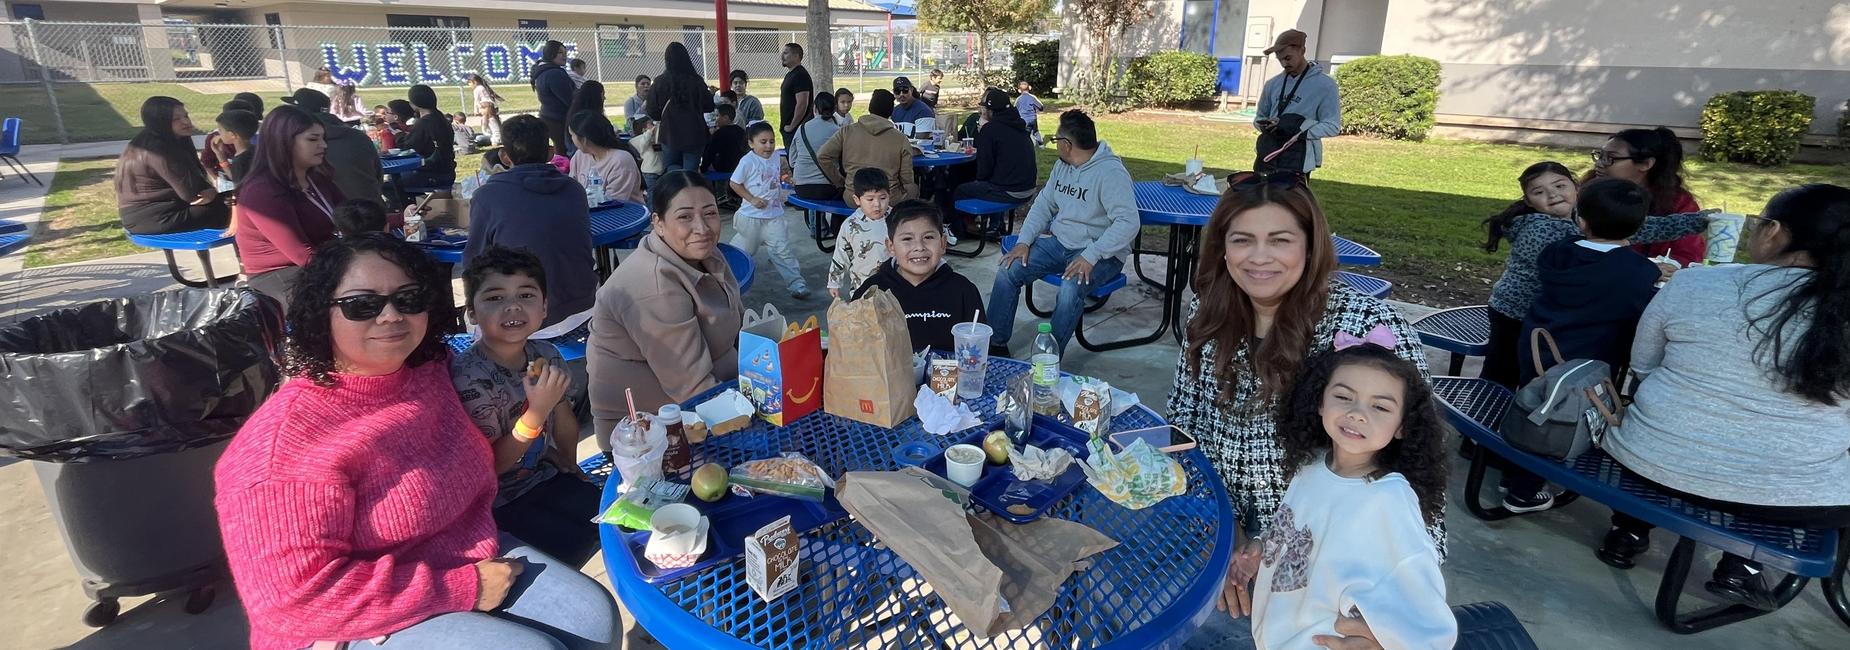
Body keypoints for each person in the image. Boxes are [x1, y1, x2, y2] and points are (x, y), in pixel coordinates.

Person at [215, 233, 618, 650]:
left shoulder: (429, 370)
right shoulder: (282, 445)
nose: (391, 316)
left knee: (593, 615)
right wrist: (463, 588)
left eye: (408, 299)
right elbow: (292, 603)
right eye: (362, 304)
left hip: (466, 549)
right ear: (321, 312)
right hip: (353, 614)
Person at [1171, 173, 1435, 650]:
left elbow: (1416, 470)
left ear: (1311, 248)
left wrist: (1390, 626)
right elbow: (1185, 429)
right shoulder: (1206, 314)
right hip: (1221, 528)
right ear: (1222, 249)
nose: (1259, 257)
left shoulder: (1366, 326)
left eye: (1280, 240)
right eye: (1242, 240)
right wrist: (1224, 533)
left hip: (1326, 560)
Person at [1595, 184, 1850, 607]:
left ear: (1773, 230)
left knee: (1660, 426)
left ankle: (1628, 532)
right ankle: (1742, 567)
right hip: (1791, 498)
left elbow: (1644, 365)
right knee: (1796, 481)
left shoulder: (1696, 282)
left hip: (1648, 460)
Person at [1224, 342, 1455, 649]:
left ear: (1402, 426)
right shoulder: (1312, 466)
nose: (1357, 414)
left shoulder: (1390, 499)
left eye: (1380, 407)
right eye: (1344, 397)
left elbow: (1430, 617)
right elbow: (1299, 532)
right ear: (1320, 402)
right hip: (1277, 634)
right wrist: (1262, 549)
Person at [1479, 162, 1708, 390]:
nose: (1553, 194)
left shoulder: (1584, 220)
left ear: (1576, 187)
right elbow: (1593, 258)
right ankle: (1485, 408)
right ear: (1529, 201)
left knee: (1533, 374)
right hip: (1514, 312)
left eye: (1559, 186)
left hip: (1548, 313)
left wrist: (1697, 221)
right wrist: (1646, 268)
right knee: (1502, 373)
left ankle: (1526, 405)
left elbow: (1625, 225)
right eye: (1539, 192)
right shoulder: (1539, 229)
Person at [452, 247, 602, 567]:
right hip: (495, 505)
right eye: (495, 297)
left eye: (526, 295)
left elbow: (563, 419)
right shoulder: (467, 378)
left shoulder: (545, 353)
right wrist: (536, 412)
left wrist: (569, 464)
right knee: (566, 554)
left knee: (612, 520)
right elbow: (488, 469)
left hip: (541, 477)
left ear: (544, 307)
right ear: (472, 313)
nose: (513, 306)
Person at [588, 170, 745, 444]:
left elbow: (738, 328)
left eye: (709, 213)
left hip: (716, 395)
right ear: (658, 223)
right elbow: (692, 388)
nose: (702, 228)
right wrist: (752, 419)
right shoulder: (654, 285)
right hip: (652, 434)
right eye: (685, 217)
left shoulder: (707, 255)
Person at [986, 110, 1137, 354]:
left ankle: (1049, 359)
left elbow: (1128, 222)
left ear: (1066, 145)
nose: (1055, 145)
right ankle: (995, 344)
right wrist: (1024, 241)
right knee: (1008, 269)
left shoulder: (1111, 173)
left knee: (1070, 287)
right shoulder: (1062, 166)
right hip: (1060, 243)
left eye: (1056, 140)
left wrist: (1091, 255)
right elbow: (1044, 205)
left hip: (1101, 253)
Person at [1517, 178, 1663, 384]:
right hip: (1590, 364)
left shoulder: (1558, 251)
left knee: (1532, 395)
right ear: (1639, 226)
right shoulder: (1638, 270)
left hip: (1538, 347)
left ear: (1581, 221)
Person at [464, 115, 595, 329]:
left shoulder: (487, 196)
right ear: (551, 153)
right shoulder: (574, 189)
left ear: (504, 157)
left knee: (472, 314)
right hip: (583, 304)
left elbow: (473, 261)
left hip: (527, 316)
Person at [234, 106, 347, 310]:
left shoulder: (316, 178)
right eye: (313, 139)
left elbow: (353, 216)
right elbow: (301, 254)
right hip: (277, 274)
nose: (323, 145)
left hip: (321, 260)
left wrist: (403, 217)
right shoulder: (261, 190)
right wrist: (357, 266)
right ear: (284, 142)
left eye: (323, 138)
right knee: (356, 298)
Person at [853, 201, 983, 352]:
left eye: (928, 237)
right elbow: (853, 345)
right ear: (891, 247)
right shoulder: (871, 292)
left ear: (943, 243)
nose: (919, 247)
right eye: (907, 239)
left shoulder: (963, 290)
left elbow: (978, 348)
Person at [1588, 127, 1706, 270]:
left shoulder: (1678, 203)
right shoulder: (1587, 191)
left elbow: (1688, 255)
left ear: (1645, 164)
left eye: (1611, 158)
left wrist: (1657, 267)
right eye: (1600, 155)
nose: (1599, 163)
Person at [115, 96, 230, 234]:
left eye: (186, 116)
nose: (186, 122)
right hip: (155, 217)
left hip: (170, 208)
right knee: (241, 206)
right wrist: (211, 192)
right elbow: (192, 195)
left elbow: (199, 180)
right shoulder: (158, 148)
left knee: (238, 199)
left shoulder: (177, 138)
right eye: (176, 119)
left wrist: (210, 192)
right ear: (160, 122)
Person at [729, 122, 809, 298]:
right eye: (763, 142)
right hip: (751, 217)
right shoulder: (747, 161)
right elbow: (734, 183)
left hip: (774, 215)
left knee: (782, 249)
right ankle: (728, 278)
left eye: (771, 141)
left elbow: (778, 174)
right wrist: (752, 199)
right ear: (751, 143)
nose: (768, 146)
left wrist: (787, 179)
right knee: (745, 250)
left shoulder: (776, 156)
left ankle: (796, 283)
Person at [1253, 29, 1341, 176]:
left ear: (1302, 50)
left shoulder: (1325, 85)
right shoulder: (1272, 84)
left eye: (1288, 58)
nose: (1284, 63)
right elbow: (1259, 117)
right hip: (1268, 154)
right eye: (1280, 59)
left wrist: (1298, 130)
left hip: (1299, 159)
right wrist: (1266, 125)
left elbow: (1332, 126)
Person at [284, 87, 388, 207]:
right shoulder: (357, 136)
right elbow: (378, 177)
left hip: (333, 213)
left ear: (299, 113)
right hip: (373, 208)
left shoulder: (297, 142)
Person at [817, 90, 916, 204]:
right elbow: (907, 179)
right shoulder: (900, 138)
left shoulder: (847, 131)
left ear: (870, 108)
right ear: (891, 111)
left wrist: (840, 182)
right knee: (914, 189)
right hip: (887, 199)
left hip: (854, 197)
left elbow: (822, 156)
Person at [953, 88, 1039, 204]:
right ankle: (994, 216)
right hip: (1029, 187)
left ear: (989, 110)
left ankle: (963, 217)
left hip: (1009, 190)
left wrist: (983, 131)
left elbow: (984, 170)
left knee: (960, 190)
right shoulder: (1018, 124)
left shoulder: (990, 129)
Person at [647, 42, 716, 174]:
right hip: (695, 133)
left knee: (672, 169)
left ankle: (677, 182)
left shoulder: (660, 82)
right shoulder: (696, 81)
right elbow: (709, 106)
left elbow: (652, 110)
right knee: (691, 172)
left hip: (669, 134)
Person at [829, 168, 894, 298]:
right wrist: (834, 282)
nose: (877, 204)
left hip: (893, 285)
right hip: (861, 286)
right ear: (857, 199)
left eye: (882, 198)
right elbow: (841, 254)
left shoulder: (897, 219)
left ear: (889, 196)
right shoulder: (850, 225)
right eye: (870, 199)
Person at [570, 111, 646, 204]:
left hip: (622, 212)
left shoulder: (621, 161)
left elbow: (613, 203)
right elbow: (571, 187)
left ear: (584, 140)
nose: (571, 139)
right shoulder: (580, 156)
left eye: (572, 135)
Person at [400, 84, 457, 191]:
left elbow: (408, 149)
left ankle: (412, 202)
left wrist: (399, 135)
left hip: (432, 173)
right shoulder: (442, 119)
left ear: (414, 103)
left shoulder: (424, 123)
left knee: (389, 185)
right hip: (448, 171)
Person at [788, 92, 843, 201]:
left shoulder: (801, 129)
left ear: (815, 108)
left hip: (801, 186)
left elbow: (792, 161)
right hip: (829, 187)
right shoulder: (838, 131)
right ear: (835, 109)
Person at [530, 40, 576, 156]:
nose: (564, 56)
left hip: (549, 117)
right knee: (564, 153)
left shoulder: (544, 71)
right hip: (558, 120)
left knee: (559, 150)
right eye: (560, 53)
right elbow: (569, 99)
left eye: (565, 53)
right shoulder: (554, 73)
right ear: (550, 54)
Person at [201, 98, 253, 187]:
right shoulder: (215, 139)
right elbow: (207, 162)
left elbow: (234, 178)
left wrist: (220, 156)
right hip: (226, 182)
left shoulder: (242, 156)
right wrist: (216, 179)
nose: (219, 132)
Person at [778, 42, 814, 147]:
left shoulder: (800, 76)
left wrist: (792, 126)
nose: (782, 56)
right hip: (789, 128)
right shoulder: (791, 74)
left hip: (796, 130)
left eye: (786, 53)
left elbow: (802, 104)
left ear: (796, 56)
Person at [213, 109, 259, 187]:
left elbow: (239, 187)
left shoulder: (240, 161)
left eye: (220, 130)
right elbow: (234, 176)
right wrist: (220, 155)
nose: (219, 133)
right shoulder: (257, 150)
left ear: (232, 135)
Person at [702, 104, 749, 175]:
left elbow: (710, 153)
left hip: (722, 167)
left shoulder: (719, 133)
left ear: (725, 118)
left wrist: (703, 168)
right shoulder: (740, 131)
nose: (715, 119)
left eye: (717, 116)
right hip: (739, 166)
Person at [470, 73, 505, 145]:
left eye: (470, 83)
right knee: (490, 123)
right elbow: (492, 97)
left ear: (475, 82)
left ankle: (496, 140)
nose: (469, 85)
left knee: (491, 124)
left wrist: (476, 110)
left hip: (486, 106)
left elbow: (476, 100)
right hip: (490, 106)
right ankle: (494, 138)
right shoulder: (484, 87)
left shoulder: (477, 89)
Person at [632, 116, 665, 190]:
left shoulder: (654, 137)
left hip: (660, 170)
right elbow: (643, 145)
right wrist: (649, 132)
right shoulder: (640, 140)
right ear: (644, 129)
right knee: (652, 193)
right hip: (650, 172)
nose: (653, 125)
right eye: (651, 124)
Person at [1016, 81, 1044, 146]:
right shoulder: (1032, 97)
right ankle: (1041, 144)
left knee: (1024, 133)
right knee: (1036, 131)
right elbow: (1040, 106)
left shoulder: (1018, 99)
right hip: (1033, 118)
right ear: (1029, 88)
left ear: (1019, 90)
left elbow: (1015, 109)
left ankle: (1027, 144)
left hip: (1023, 119)